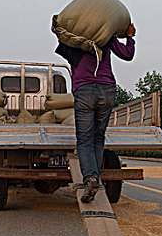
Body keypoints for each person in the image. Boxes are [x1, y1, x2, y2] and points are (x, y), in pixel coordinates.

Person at [55, 23, 136, 202]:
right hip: (107, 90)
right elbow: (127, 54)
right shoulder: (105, 38)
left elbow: (61, 36)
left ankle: (90, 178)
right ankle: (95, 178)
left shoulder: (73, 43)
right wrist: (129, 36)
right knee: (98, 137)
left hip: (85, 91)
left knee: (84, 139)